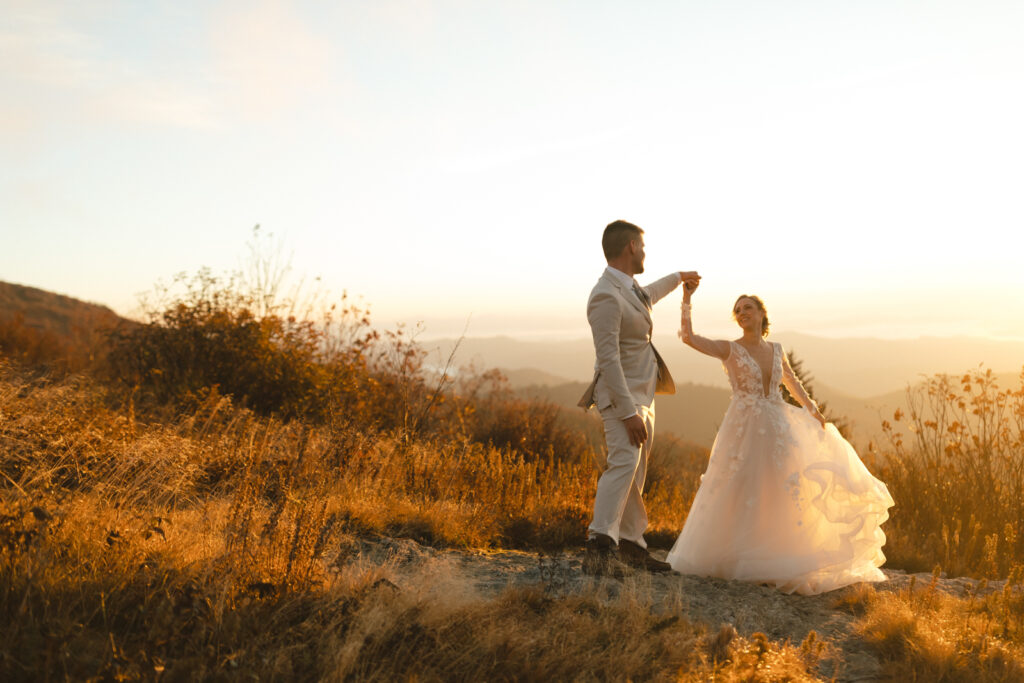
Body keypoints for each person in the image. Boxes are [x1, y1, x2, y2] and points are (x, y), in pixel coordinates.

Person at [665, 284, 894, 594]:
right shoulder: (730, 348)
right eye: (739, 309)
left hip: (777, 423)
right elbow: (689, 338)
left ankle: (777, 555)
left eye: (748, 307)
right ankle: (736, 555)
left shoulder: (776, 349)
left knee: (781, 486)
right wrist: (687, 299)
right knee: (741, 485)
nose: (743, 312)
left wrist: (813, 410)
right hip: (743, 426)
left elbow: (791, 381)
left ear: (762, 314)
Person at [578, 220, 700, 574]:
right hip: (621, 397)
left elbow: (650, 295)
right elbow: (608, 359)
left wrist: (678, 277)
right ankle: (599, 547)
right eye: (643, 247)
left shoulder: (629, 288)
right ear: (631, 246)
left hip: (643, 395)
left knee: (636, 469)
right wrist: (628, 411)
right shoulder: (605, 295)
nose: (645, 253)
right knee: (623, 464)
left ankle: (631, 545)